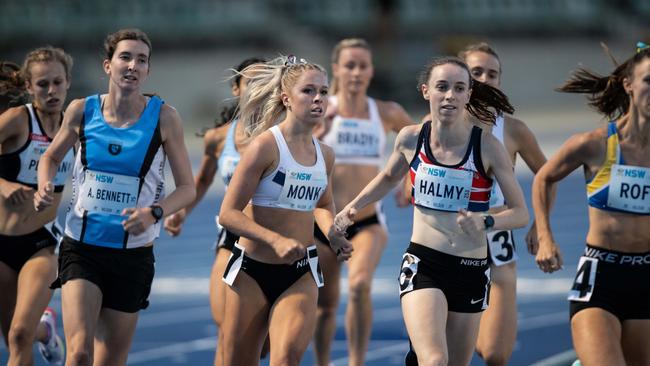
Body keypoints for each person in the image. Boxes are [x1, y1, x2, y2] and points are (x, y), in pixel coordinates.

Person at [335, 56, 529, 366]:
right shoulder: (412, 138)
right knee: (435, 361)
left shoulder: (488, 147)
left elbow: (521, 213)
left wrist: (485, 220)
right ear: (426, 91)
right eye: (442, 87)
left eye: (459, 88)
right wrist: (352, 208)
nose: (450, 95)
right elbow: (387, 178)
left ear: (468, 95)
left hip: (471, 268)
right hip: (424, 263)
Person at [33, 29, 195, 366]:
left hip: (132, 256)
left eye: (141, 60)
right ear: (108, 65)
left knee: (110, 360)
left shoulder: (165, 118)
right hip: (82, 247)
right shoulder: (81, 110)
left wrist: (154, 213)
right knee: (78, 354)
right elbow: (49, 157)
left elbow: (186, 189)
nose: (133, 65)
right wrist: (45, 184)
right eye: (125, 57)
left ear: (148, 70)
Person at [218, 56, 353, 366]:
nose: (318, 98)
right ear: (286, 99)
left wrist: (333, 232)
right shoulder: (265, 146)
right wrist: (274, 240)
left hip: (300, 271)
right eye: (308, 91)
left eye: (323, 91)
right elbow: (228, 213)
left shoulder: (325, 155)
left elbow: (321, 205)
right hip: (252, 269)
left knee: (288, 358)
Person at [533, 42, 650, 366]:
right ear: (628, 84)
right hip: (601, 276)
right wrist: (545, 237)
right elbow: (544, 178)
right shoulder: (595, 144)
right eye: (649, 81)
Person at [312, 38, 413, 366]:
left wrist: (410, 179)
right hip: (324, 223)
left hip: (366, 222)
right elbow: (293, 146)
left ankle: (356, 362)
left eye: (363, 65)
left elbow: (422, 141)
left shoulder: (386, 112)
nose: (356, 72)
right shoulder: (321, 110)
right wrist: (318, 130)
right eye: (349, 65)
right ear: (336, 69)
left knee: (358, 286)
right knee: (325, 304)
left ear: (371, 71)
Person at [163, 56, 265, 366]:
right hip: (231, 237)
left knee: (261, 347)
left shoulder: (284, 133)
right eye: (252, 81)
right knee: (227, 332)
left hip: (272, 238)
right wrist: (182, 211)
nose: (259, 89)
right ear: (237, 88)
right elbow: (203, 179)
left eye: (266, 82)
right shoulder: (219, 138)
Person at [458, 42, 550, 366]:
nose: (484, 78)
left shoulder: (512, 131)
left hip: (497, 243)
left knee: (495, 353)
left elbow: (547, 175)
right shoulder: (443, 124)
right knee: (445, 354)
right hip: (448, 245)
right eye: (476, 72)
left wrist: (541, 225)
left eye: (492, 73)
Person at [0, 47, 74, 366]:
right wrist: (3, 185)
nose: (51, 91)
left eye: (57, 82)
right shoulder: (18, 120)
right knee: (15, 338)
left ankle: (37, 330)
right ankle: (46, 331)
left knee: (19, 334)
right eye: (42, 84)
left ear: (68, 83)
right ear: (29, 87)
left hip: (41, 244)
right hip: (2, 242)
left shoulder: (77, 128)